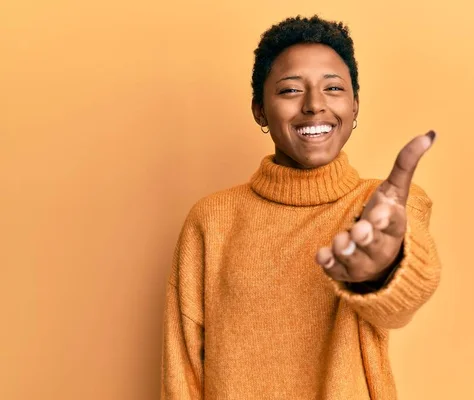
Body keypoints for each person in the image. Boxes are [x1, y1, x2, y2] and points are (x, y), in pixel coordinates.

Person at [161, 15, 441, 400]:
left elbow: (401, 304)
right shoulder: (211, 219)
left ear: (354, 106)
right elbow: (182, 369)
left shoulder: (383, 206)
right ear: (260, 109)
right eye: (291, 90)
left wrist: (381, 270)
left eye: (333, 88)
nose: (314, 105)